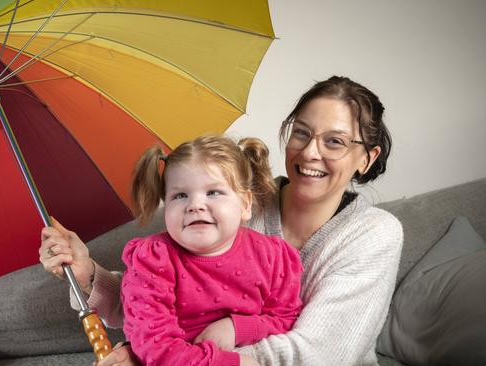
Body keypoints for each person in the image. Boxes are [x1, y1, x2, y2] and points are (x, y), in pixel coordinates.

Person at [40, 76, 403, 366]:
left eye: (335, 142)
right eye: (302, 133)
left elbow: (320, 357)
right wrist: (87, 274)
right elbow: (159, 300)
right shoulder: (231, 199)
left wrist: (191, 356)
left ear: (366, 159)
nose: (310, 152)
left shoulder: (374, 234)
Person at [120, 136, 303, 366]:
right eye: (180, 195)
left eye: (213, 192)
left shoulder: (274, 256)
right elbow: (156, 347)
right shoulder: (152, 259)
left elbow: (287, 318)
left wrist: (237, 328)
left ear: (246, 204)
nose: (195, 205)